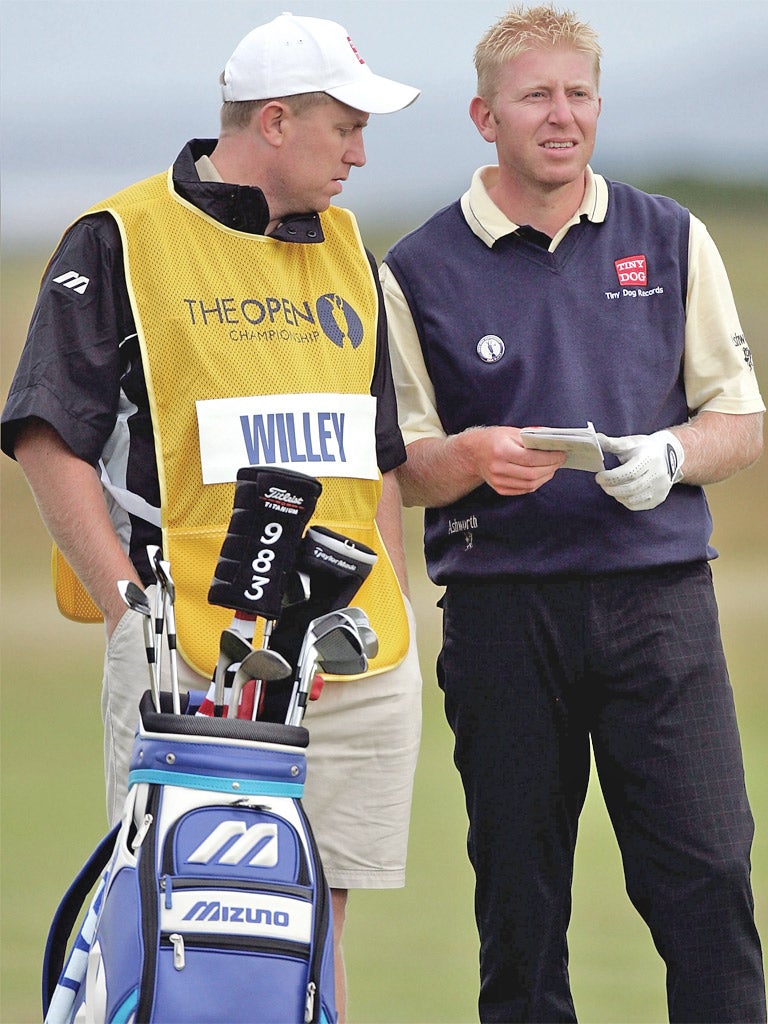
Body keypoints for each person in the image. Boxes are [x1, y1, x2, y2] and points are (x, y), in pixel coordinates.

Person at [1, 13, 422, 1019]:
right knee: (184, 913)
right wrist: (122, 600)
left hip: (352, 646)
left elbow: (378, 450)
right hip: (185, 648)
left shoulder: (352, 245)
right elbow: (45, 432)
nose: (361, 154)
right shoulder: (120, 238)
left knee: (315, 922)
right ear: (275, 121)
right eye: (345, 129)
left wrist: (393, 594)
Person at [380, 4, 766, 1021]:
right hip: (506, 618)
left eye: (579, 94)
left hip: (660, 607)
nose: (562, 116)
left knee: (711, 880)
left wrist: (673, 454)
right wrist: (465, 458)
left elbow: (740, 416)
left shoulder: (669, 235)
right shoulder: (417, 268)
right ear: (485, 115)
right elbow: (402, 463)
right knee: (520, 909)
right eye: (536, 96)